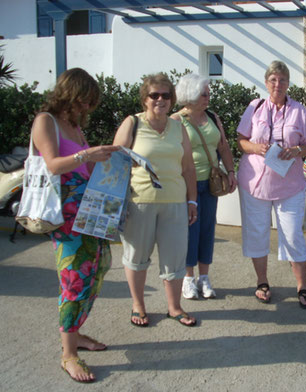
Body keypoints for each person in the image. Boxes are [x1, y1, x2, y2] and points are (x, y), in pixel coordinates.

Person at [31, 68, 119, 383]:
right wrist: (87, 154)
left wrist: (106, 158)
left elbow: (83, 165)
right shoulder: (46, 121)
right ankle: (68, 353)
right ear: (71, 94)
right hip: (65, 212)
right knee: (75, 276)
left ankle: (76, 331)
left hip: (89, 209)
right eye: (84, 102)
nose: (86, 109)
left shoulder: (73, 125)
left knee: (100, 265)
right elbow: (53, 164)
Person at [113, 73, 198, 327]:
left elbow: (188, 168)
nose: (160, 99)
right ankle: (138, 305)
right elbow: (116, 164)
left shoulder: (178, 127)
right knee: (137, 256)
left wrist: (192, 201)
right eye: (154, 95)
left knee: (174, 256)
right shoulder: (132, 124)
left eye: (166, 95)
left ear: (172, 99)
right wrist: (118, 204)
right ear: (145, 99)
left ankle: (174, 307)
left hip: (175, 202)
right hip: (139, 202)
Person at [237, 60, 306, 309]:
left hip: (289, 185)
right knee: (257, 233)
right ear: (266, 82)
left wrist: (295, 150)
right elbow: (241, 140)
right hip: (255, 183)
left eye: (282, 79)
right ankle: (262, 282)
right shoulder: (255, 106)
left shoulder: (299, 110)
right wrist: (256, 147)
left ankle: (302, 286)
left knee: (293, 234)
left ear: (288, 83)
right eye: (273, 79)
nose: (277, 84)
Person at [171, 73, 237, 299]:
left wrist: (231, 172)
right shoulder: (176, 120)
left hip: (211, 183)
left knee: (208, 229)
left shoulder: (212, 117)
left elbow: (224, 147)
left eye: (208, 93)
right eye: (203, 93)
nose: (208, 97)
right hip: (186, 184)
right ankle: (188, 279)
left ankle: (204, 277)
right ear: (190, 94)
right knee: (190, 230)